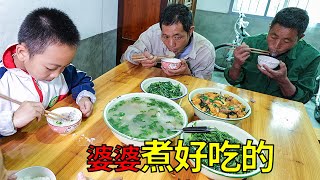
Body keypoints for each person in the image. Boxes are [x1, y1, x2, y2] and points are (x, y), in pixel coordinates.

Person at [0, 8, 96, 136]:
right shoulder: (3, 81)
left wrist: (84, 97)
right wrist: (12, 120)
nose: (57, 74)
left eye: (64, 67)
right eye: (50, 68)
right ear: (22, 53)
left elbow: (80, 79)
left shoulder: (61, 69)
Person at [224, 7, 320, 103]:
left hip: (282, 109)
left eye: (286, 41)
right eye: (273, 37)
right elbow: (232, 80)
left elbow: (303, 99)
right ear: (270, 27)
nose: (276, 46)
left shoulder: (311, 57)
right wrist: (237, 64)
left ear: (300, 38)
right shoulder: (251, 43)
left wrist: (283, 80)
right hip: (245, 103)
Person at [121, 4, 215, 80]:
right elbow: (126, 55)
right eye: (165, 36)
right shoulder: (154, 33)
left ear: (190, 31)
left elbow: (201, 87)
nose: (171, 44)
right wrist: (139, 58)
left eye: (177, 37)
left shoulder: (205, 51)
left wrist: (187, 73)